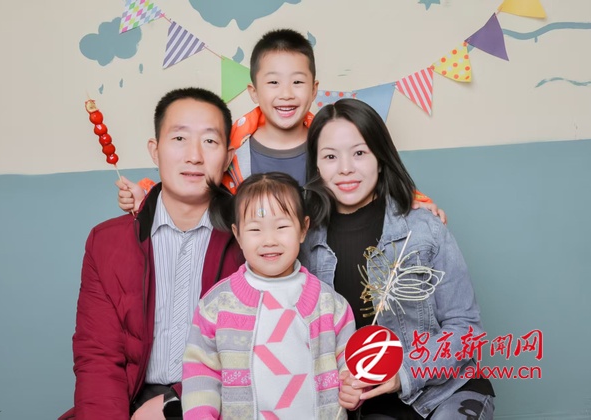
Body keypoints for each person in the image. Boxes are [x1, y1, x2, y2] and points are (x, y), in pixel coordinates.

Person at [115, 29, 443, 222]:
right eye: (273, 82)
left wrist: (418, 203)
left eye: (297, 82)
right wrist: (146, 192)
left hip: (326, 275)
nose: (286, 93)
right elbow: (195, 185)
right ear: (253, 92)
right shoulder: (234, 149)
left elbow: (372, 174)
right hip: (256, 279)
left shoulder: (329, 142)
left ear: (314, 90)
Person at [300, 99, 495, 419]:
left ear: (380, 158)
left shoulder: (425, 228)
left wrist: (402, 374)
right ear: (317, 167)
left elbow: (466, 329)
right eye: (330, 156)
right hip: (364, 404)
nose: (345, 168)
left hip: (442, 392)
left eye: (359, 153)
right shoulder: (302, 242)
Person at [59, 88, 244, 420]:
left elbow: (256, 352)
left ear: (228, 157)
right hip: (127, 402)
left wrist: (174, 403)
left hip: (214, 403)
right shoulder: (106, 242)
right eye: (179, 138)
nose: (194, 156)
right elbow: (98, 356)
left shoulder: (251, 243)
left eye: (209, 141)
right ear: (155, 151)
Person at [180, 173, 361, 419]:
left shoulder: (331, 305)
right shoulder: (216, 305)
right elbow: (200, 373)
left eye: (281, 227)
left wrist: (354, 389)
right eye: (255, 229)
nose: (269, 240)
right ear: (237, 235)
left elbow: (351, 368)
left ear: (303, 229)